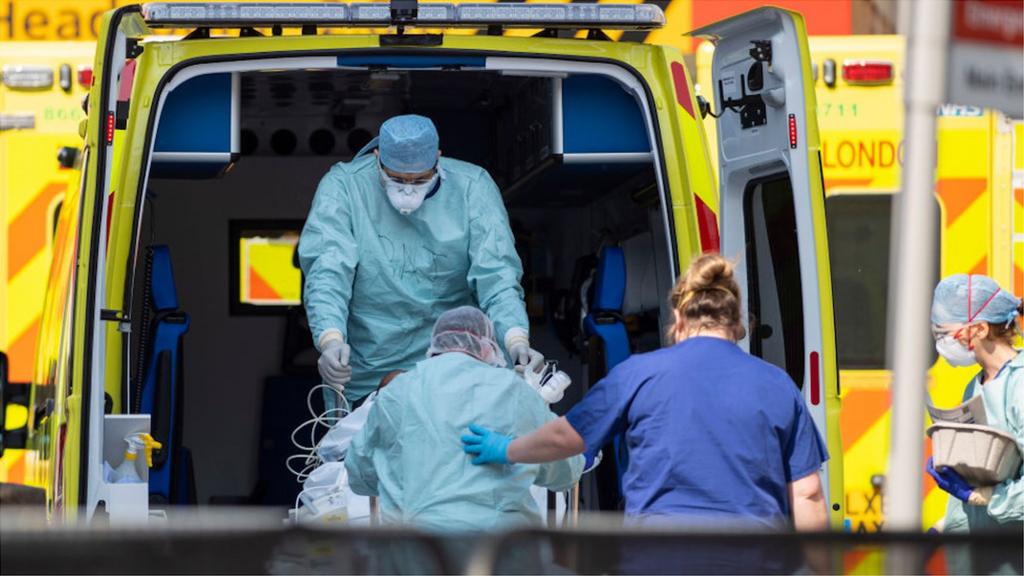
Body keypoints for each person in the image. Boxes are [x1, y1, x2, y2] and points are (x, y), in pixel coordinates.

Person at [462, 253, 830, 530]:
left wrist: (506, 449)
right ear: (737, 324)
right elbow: (807, 492)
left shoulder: (638, 375)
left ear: (679, 319)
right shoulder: (777, 385)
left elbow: (564, 438)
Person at [299, 115, 542, 408]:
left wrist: (516, 341)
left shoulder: (471, 187)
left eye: (420, 180)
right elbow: (328, 271)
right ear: (377, 158)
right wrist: (330, 340)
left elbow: (497, 277)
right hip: (372, 371)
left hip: (456, 364)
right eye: (396, 178)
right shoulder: (345, 187)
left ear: (438, 159)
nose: (407, 190)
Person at [345, 306, 583, 532]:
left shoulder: (397, 391)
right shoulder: (514, 390)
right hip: (498, 551)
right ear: (488, 347)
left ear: (435, 345)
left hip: (414, 552)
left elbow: (360, 474)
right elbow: (565, 471)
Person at [927, 274, 1023, 533]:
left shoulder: (1020, 385)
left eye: (945, 334)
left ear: (980, 329)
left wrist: (985, 496)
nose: (941, 344)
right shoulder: (975, 385)